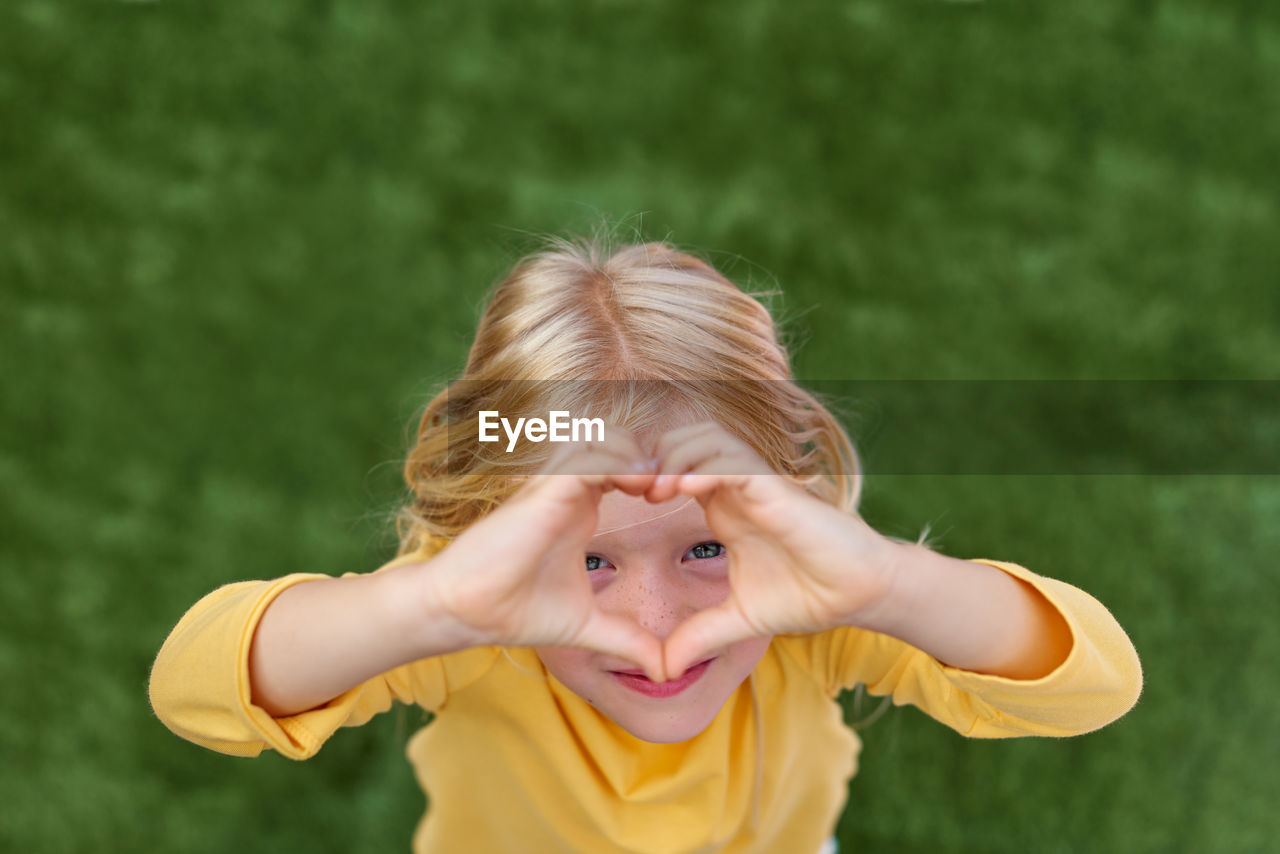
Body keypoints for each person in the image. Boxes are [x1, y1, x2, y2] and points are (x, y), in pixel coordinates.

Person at [149, 237, 1143, 854]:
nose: (658, 629)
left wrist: (885, 579)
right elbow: (192, 688)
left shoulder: (809, 607)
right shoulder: (475, 611)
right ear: (493, 521)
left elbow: (1092, 685)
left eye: (704, 547)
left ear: (783, 498)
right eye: (591, 558)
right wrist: (431, 605)